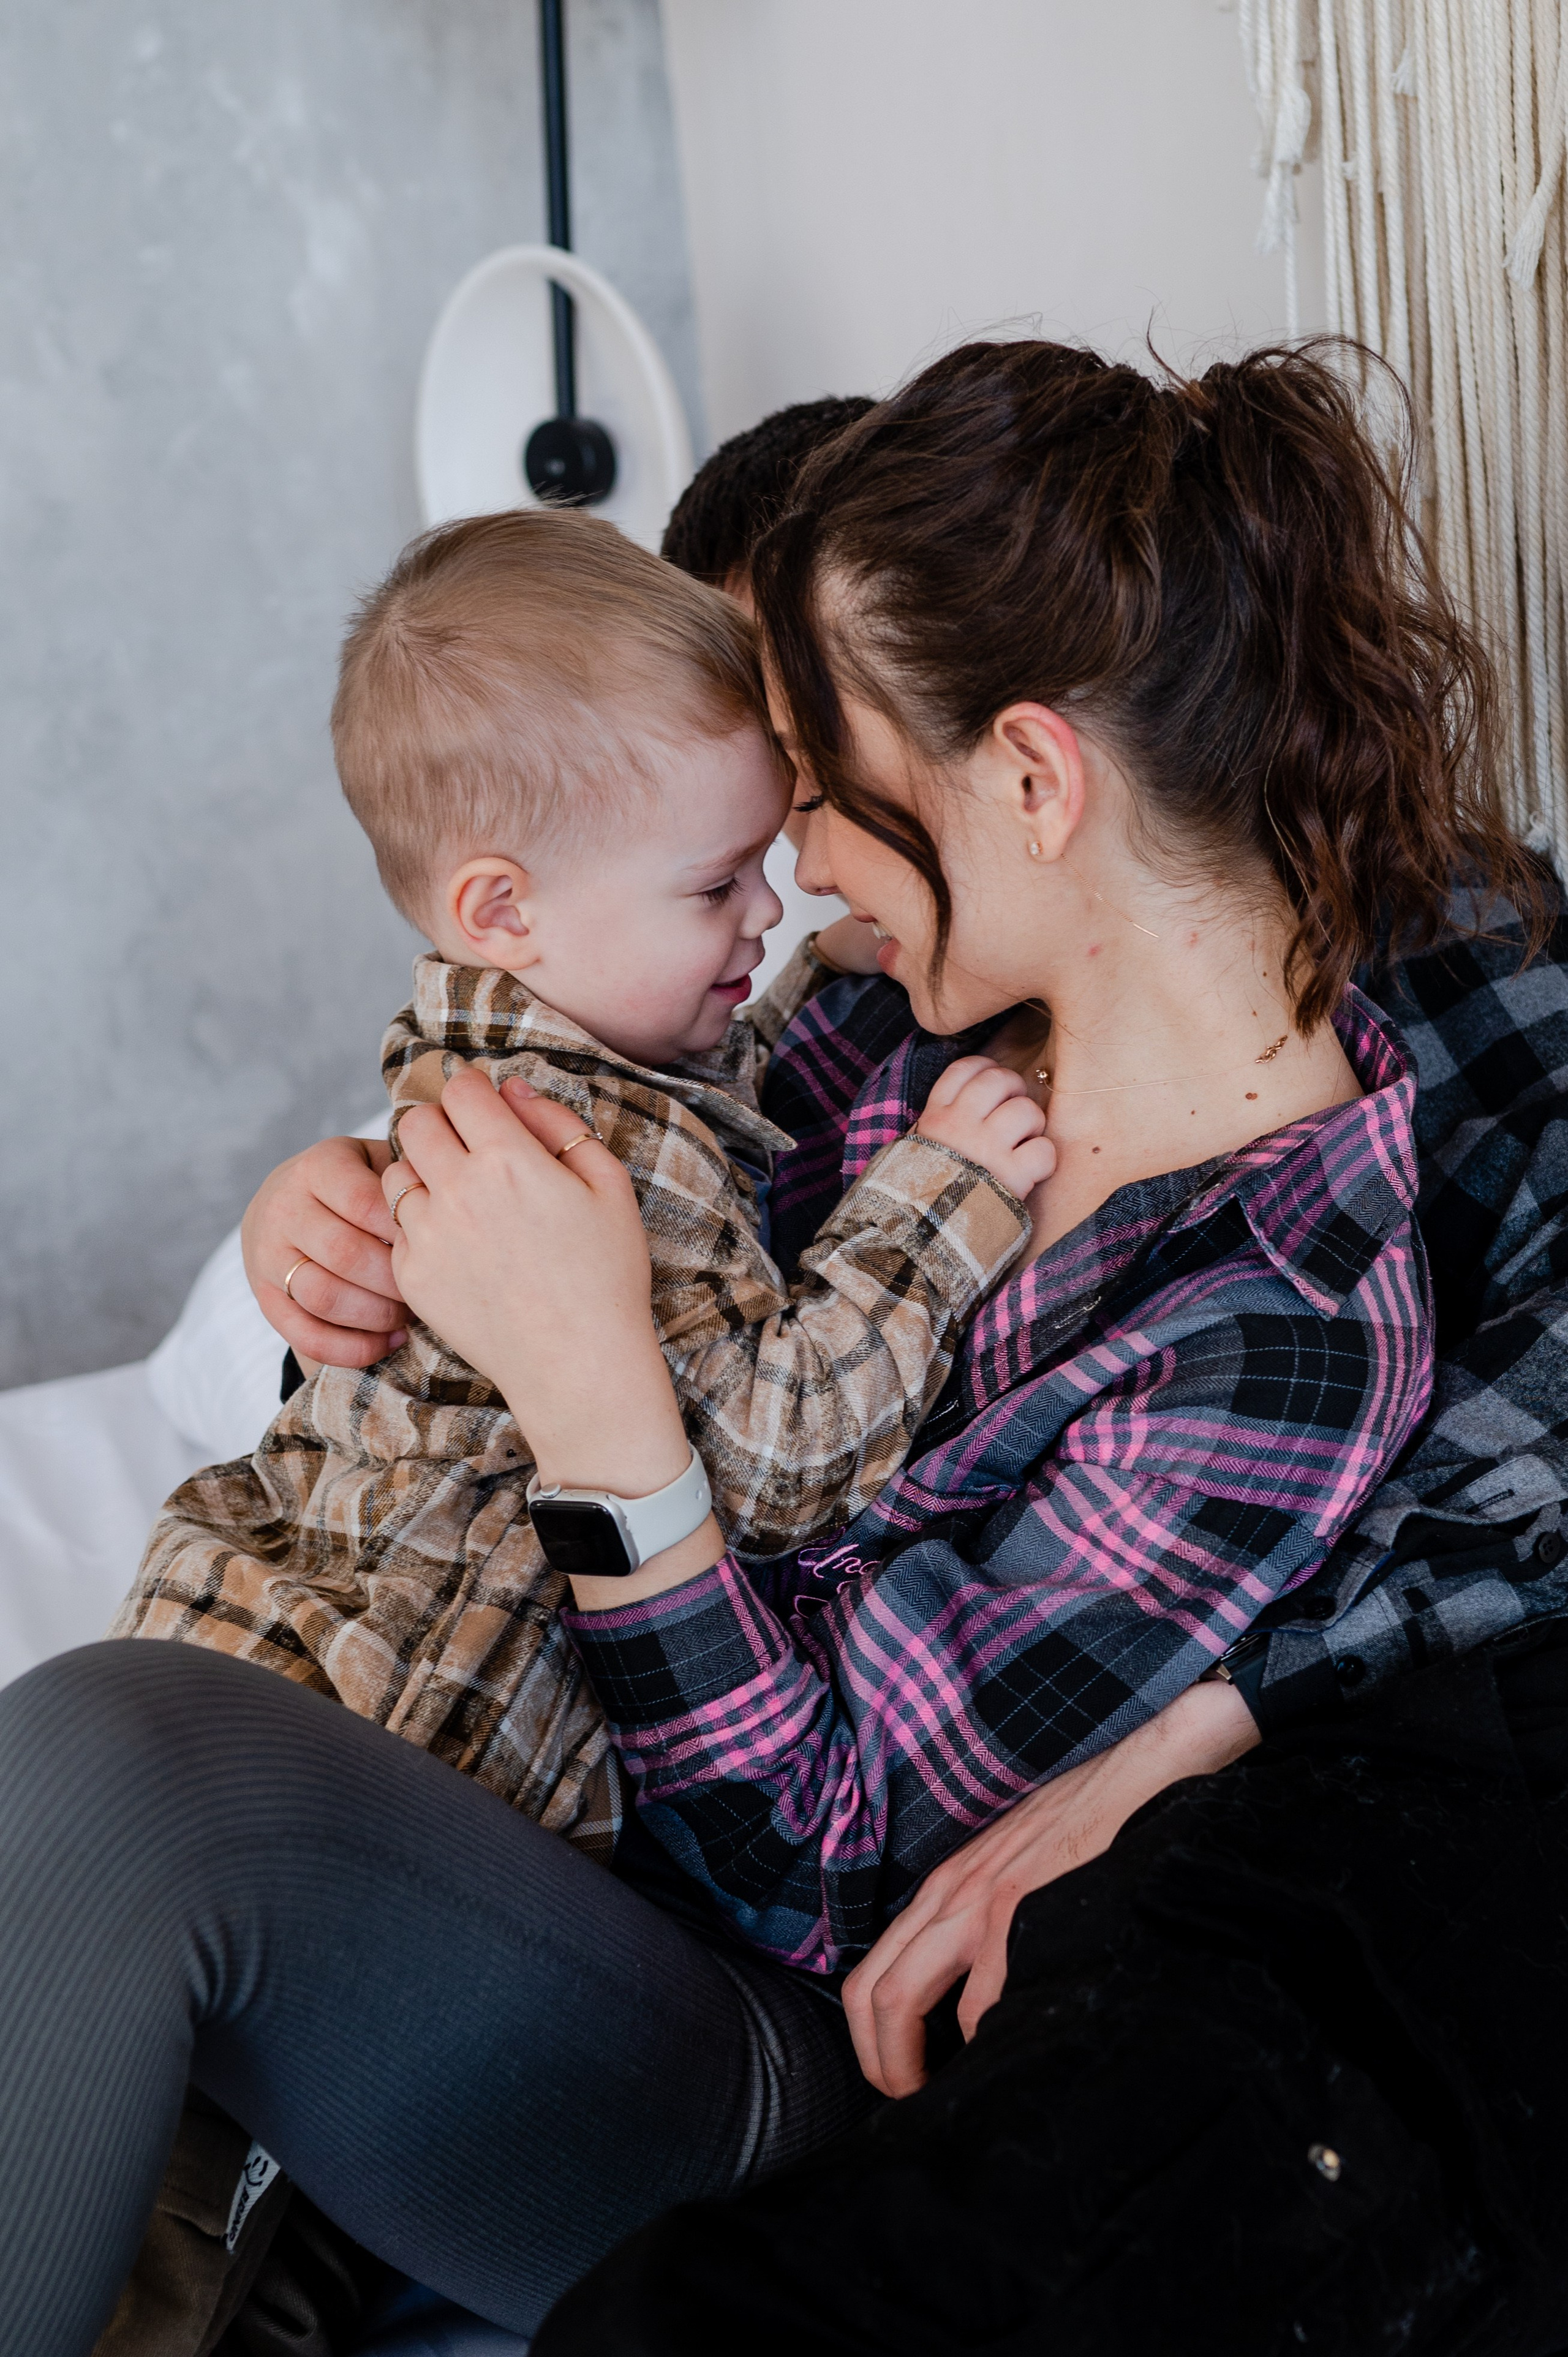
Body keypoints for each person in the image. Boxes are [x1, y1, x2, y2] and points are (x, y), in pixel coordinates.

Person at [0, 337, 1548, 2357]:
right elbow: (580, 1167)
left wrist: (607, 1420)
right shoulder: (864, 1021)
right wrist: (366, 1219)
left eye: (819, 787)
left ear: (1026, 776)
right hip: (507, 1821)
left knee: (120, 1759)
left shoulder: (1281, 1319)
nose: (797, 861)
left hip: (735, 2021)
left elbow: (822, 1856)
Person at [115, 505, 1048, 1847]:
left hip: (239, 1639)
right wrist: (940, 1200)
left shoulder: (502, 1062)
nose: (770, 908)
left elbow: (706, 1091)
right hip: (398, 1746)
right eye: (717, 884)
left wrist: (802, 977)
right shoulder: (581, 1150)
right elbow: (768, 1459)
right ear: (503, 911)